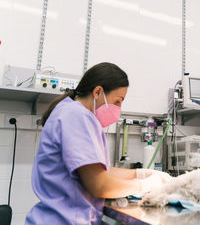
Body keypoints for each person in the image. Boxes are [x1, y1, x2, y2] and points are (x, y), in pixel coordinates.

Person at [25, 62, 170, 225]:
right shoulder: (77, 116)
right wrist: (144, 185)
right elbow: (100, 185)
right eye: (117, 101)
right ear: (98, 91)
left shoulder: (68, 111)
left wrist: (140, 173)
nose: (119, 108)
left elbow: (99, 170)